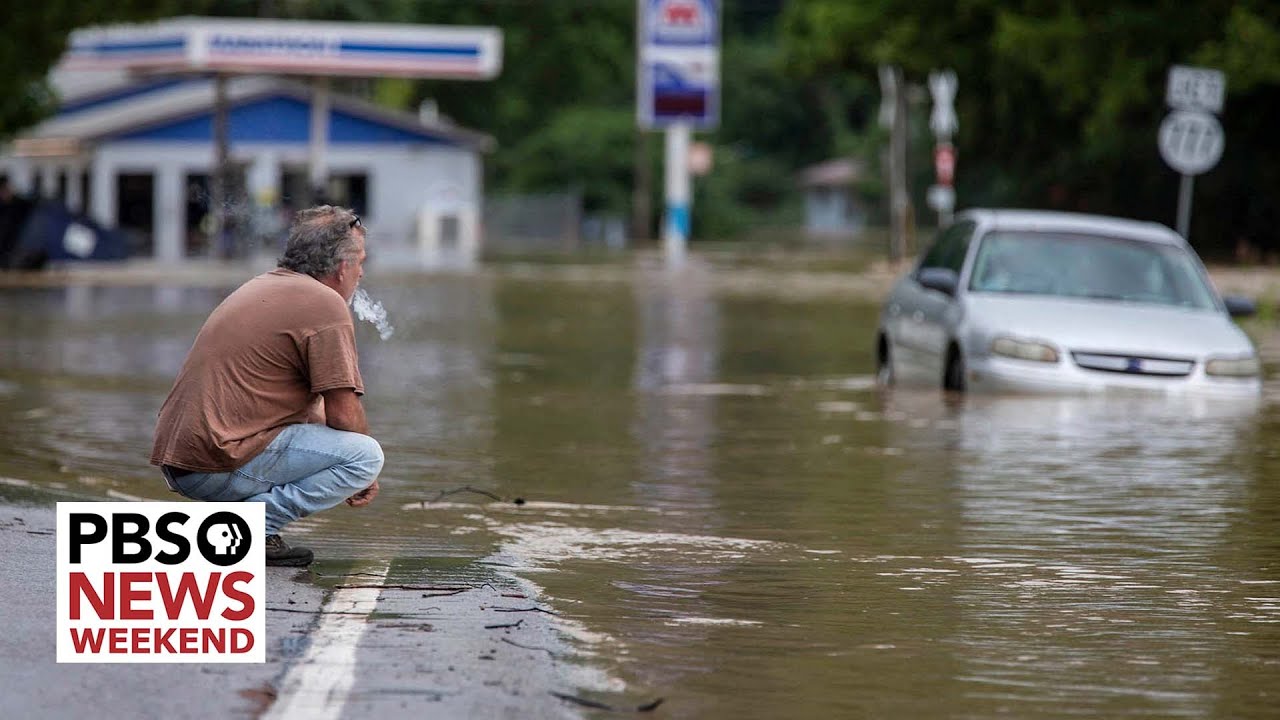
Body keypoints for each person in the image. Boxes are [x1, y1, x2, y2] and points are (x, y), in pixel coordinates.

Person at [151, 205, 383, 566]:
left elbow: (319, 410)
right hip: (213, 463)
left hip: (185, 460)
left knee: (334, 438)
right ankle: (250, 530)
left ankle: (247, 526)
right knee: (366, 456)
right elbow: (344, 413)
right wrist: (365, 476)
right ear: (341, 268)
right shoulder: (325, 304)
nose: (362, 273)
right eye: (360, 262)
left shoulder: (268, 284)